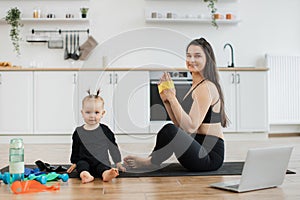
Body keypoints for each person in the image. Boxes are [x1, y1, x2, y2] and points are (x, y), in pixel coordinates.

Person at [124, 38, 228, 172]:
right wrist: (166, 100)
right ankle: (152, 161)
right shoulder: (195, 86)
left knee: (170, 130)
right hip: (197, 147)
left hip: (209, 156)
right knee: (169, 129)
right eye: (188, 55)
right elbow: (181, 125)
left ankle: (151, 162)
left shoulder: (206, 87)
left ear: (208, 59)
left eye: (197, 56)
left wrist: (172, 97)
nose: (191, 60)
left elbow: (191, 127)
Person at [67, 89, 126, 183]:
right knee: (81, 166)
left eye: (96, 112)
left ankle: (106, 174)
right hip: (84, 160)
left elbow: (113, 147)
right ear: (82, 113)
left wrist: (118, 163)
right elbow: (75, 148)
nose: (92, 116)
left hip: (101, 160)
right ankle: (85, 175)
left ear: (102, 113)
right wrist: (74, 163)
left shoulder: (105, 130)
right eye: (88, 112)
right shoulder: (78, 132)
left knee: (104, 166)